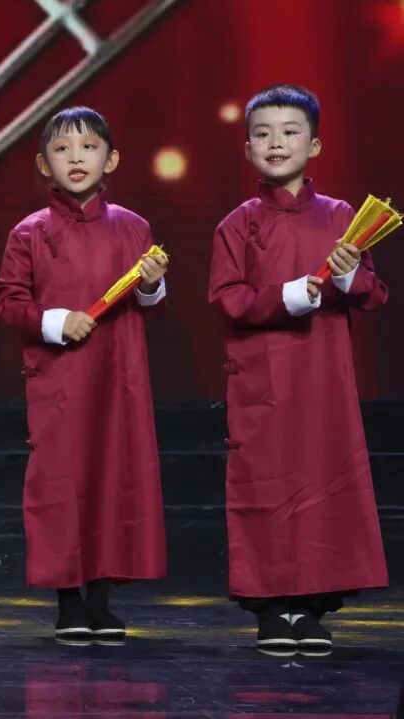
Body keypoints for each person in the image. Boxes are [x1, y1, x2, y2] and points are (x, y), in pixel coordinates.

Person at [208, 84, 388, 657]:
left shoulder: (342, 217)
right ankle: (271, 608)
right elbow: (227, 298)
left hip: (323, 377)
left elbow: (373, 294)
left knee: (323, 484)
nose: (276, 142)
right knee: (265, 487)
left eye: (290, 132)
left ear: (315, 145)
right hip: (261, 377)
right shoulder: (237, 224)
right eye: (263, 133)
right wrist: (288, 295)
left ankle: (310, 608)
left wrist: (346, 275)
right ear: (247, 148)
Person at [0, 106, 168, 645]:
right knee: (63, 483)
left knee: (113, 477)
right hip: (59, 377)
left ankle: (101, 602)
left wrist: (152, 284)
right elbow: (9, 301)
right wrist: (55, 321)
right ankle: (68, 601)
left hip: (119, 375)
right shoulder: (29, 232)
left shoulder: (134, 227)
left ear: (111, 159)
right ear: (44, 164)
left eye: (89, 147)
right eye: (62, 149)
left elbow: (150, 304)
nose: (76, 158)